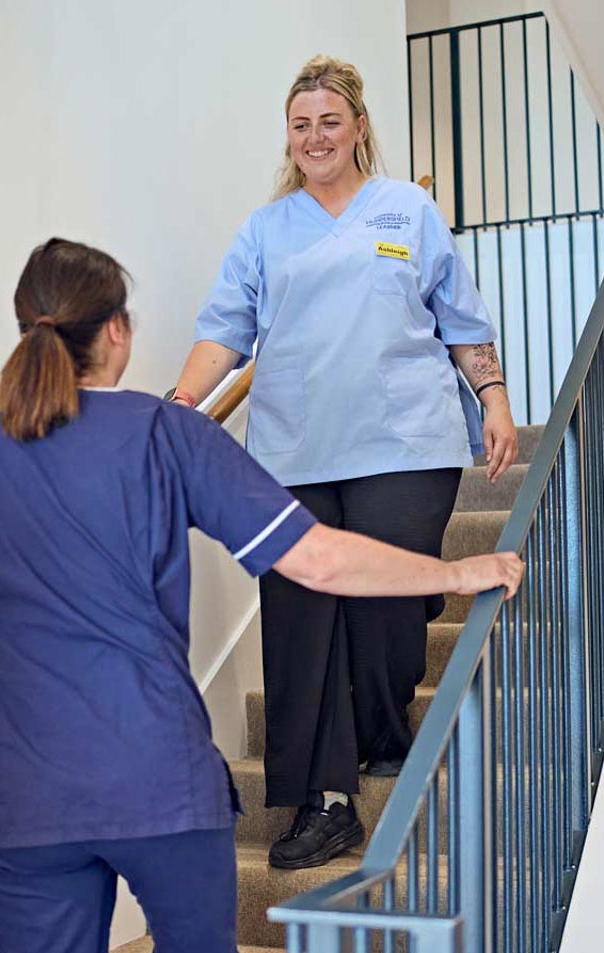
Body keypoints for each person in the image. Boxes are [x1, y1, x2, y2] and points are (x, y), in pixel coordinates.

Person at [0, 238, 522, 953]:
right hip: (158, 783)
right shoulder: (162, 433)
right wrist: (456, 568)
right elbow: (315, 557)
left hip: (27, 802)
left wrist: (39, 613)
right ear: (115, 332)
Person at [168, 55, 518, 870]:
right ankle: (318, 804)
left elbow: (460, 318)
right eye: (301, 125)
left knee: (389, 605)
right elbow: (226, 327)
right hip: (293, 451)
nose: (315, 137)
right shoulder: (266, 229)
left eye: (330, 121)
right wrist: (180, 406)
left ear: (359, 127)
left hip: (406, 441)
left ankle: (386, 727)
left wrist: (494, 397)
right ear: (288, 138)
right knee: (297, 618)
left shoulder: (409, 210)